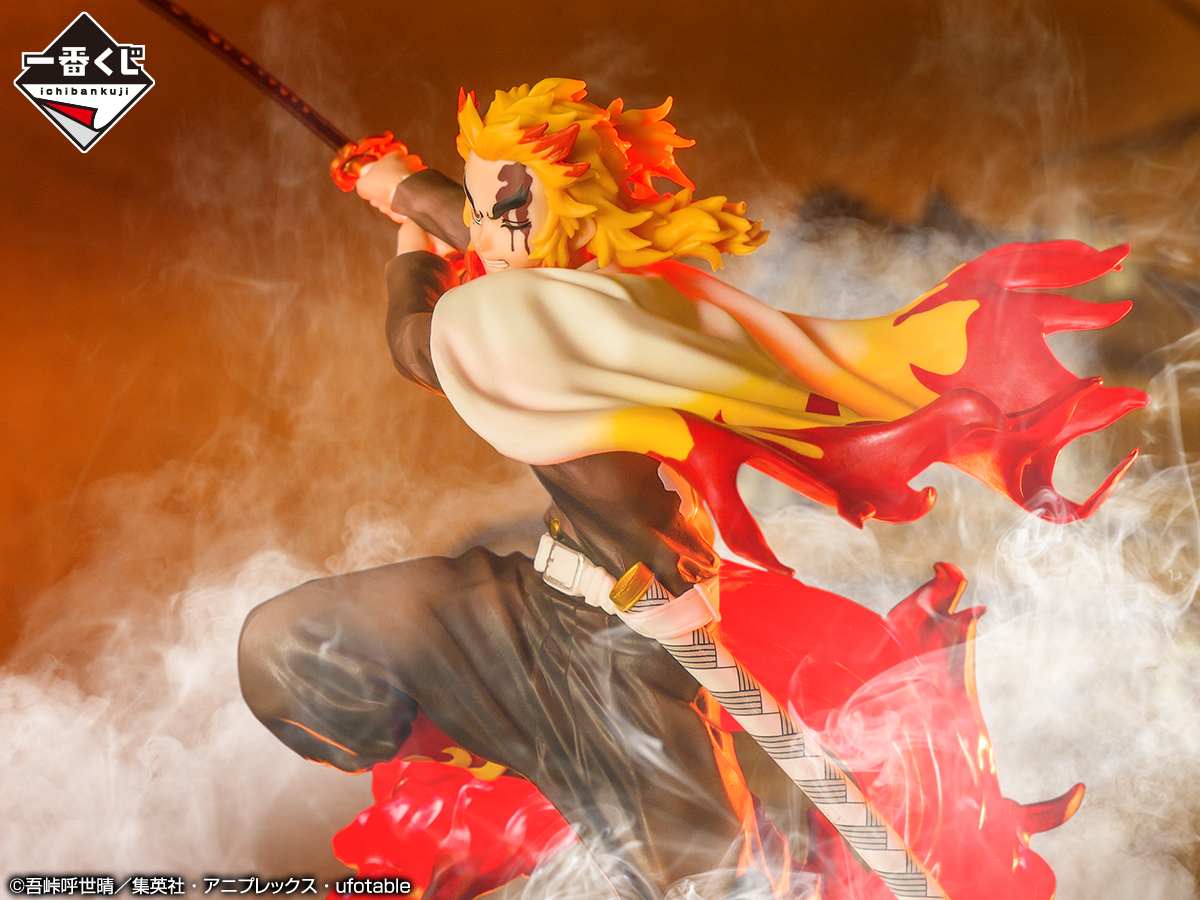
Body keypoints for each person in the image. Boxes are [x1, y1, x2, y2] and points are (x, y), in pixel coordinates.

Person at [239, 78, 1146, 900]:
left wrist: (415, 259)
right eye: (481, 205)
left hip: (636, 661)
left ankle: (665, 823)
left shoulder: (529, 316)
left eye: (502, 207)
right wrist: (402, 184)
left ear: (565, 215)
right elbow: (503, 219)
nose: (486, 226)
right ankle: (490, 764)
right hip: (537, 611)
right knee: (290, 649)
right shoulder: (608, 284)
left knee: (709, 887)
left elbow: (417, 340)